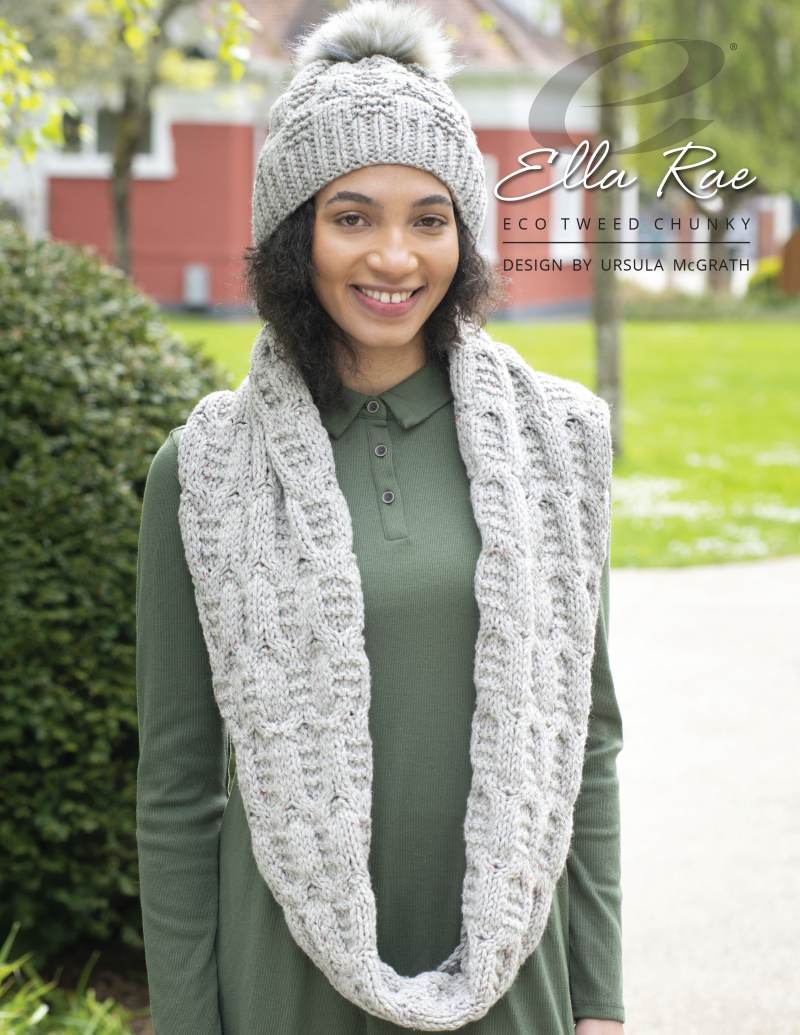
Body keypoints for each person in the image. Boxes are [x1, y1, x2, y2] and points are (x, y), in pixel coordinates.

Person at [135, 2, 626, 1033]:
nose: (394, 258)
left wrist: (600, 1003)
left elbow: (584, 749)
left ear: (465, 237)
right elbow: (178, 789)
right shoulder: (205, 471)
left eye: (429, 219)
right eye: (352, 217)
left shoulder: (558, 449)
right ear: (295, 236)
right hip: (285, 984)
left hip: (510, 975)